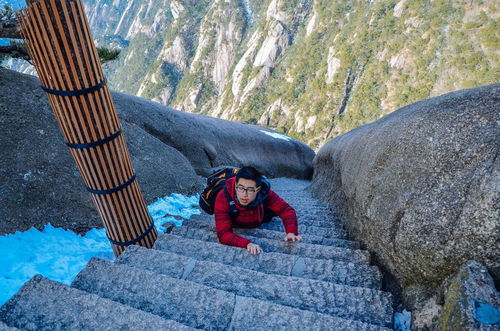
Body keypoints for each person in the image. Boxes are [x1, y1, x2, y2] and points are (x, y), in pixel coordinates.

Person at [214, 166, 302, 255]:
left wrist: (291, 232)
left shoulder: (264, 192)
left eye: (250, 189)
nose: (244, 194)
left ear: (258, 189)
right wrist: (246, 244)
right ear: (235, 185)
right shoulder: (223, 196)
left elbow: (286, 209)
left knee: (272, 209)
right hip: (237, 219)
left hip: (260, 215)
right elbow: (223, 234)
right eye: (240, 188)